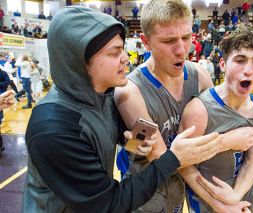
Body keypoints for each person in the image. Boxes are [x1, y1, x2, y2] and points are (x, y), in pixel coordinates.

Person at [22, 6, 226, 213]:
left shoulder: (103, 95)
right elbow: (108, 204)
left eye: (123, 49)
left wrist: (130, 140)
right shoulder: (53, 128)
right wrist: (173, 158)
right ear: (80, 61)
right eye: (115, 53)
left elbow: (121, 136)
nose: (126, 58)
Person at [115, 1, 253, 212]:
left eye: (187, 37)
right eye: (169, 40)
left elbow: (224, 114)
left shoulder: (198, 74)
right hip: (146, 191)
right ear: (146, 42)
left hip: (183, 187)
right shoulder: (130, 92)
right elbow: (165, 159)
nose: (181, 50)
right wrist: (221, 205)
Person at [178, 26, 253, 213]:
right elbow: (184, 166)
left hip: (244, 201)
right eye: (240, 60)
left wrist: (236, 196)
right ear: (222, 64)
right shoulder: (200, 109)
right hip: (207, 203)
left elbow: (251, 163)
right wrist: (221, 205)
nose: (248, 70)